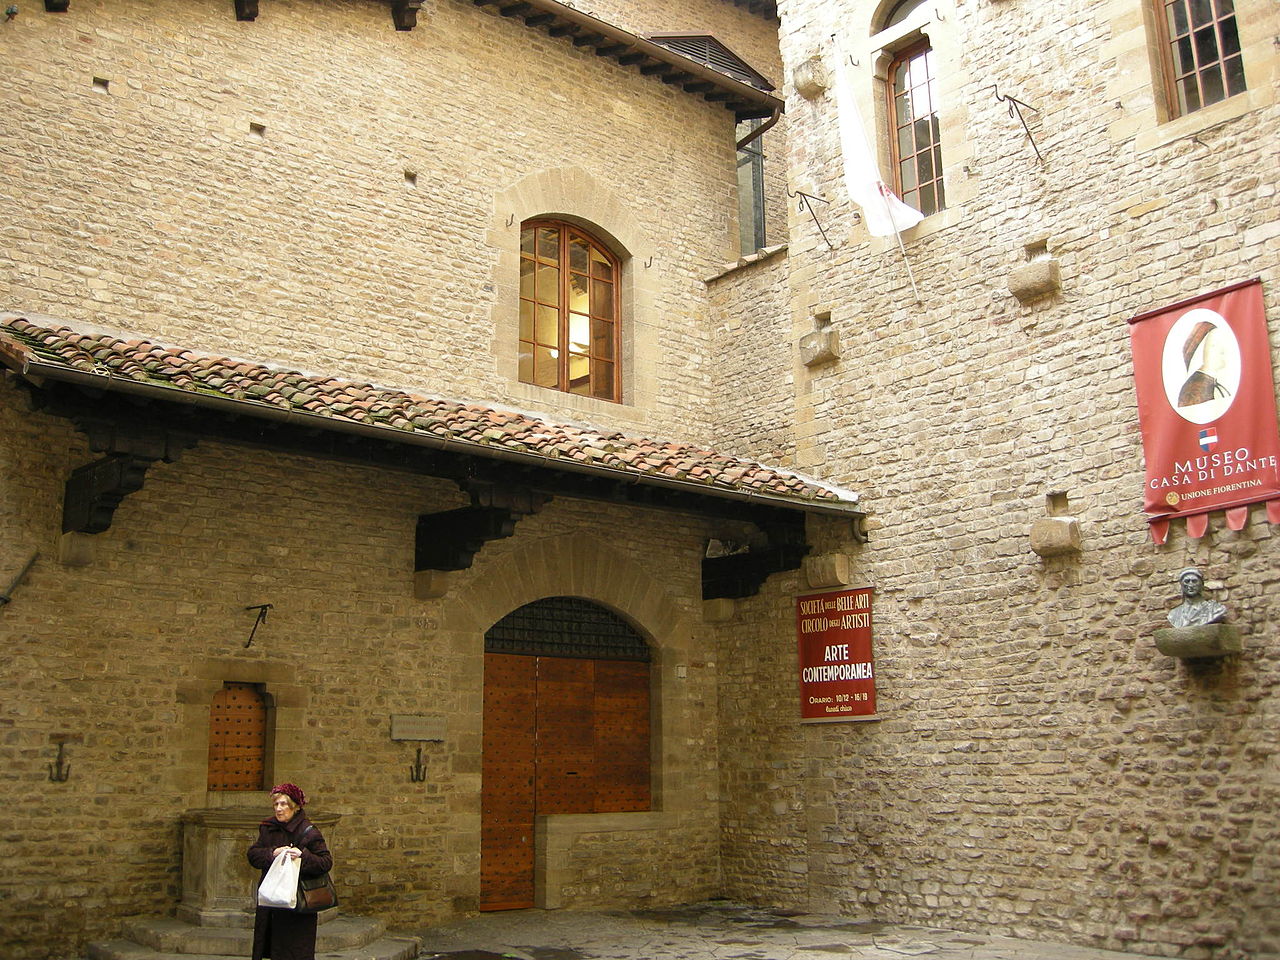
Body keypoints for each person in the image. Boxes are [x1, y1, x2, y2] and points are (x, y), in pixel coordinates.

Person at [247, 783, 332, 960]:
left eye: (284, 804)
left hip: (297, 903)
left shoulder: (308, 832)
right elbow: (253, 855)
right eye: (276, 804)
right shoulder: (268, 828)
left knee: (294, 950)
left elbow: (325, 862)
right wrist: (272, 853)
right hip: (272, 900)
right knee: (271, 948)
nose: (279, 809)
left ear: (295, 806)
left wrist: (303, 856)